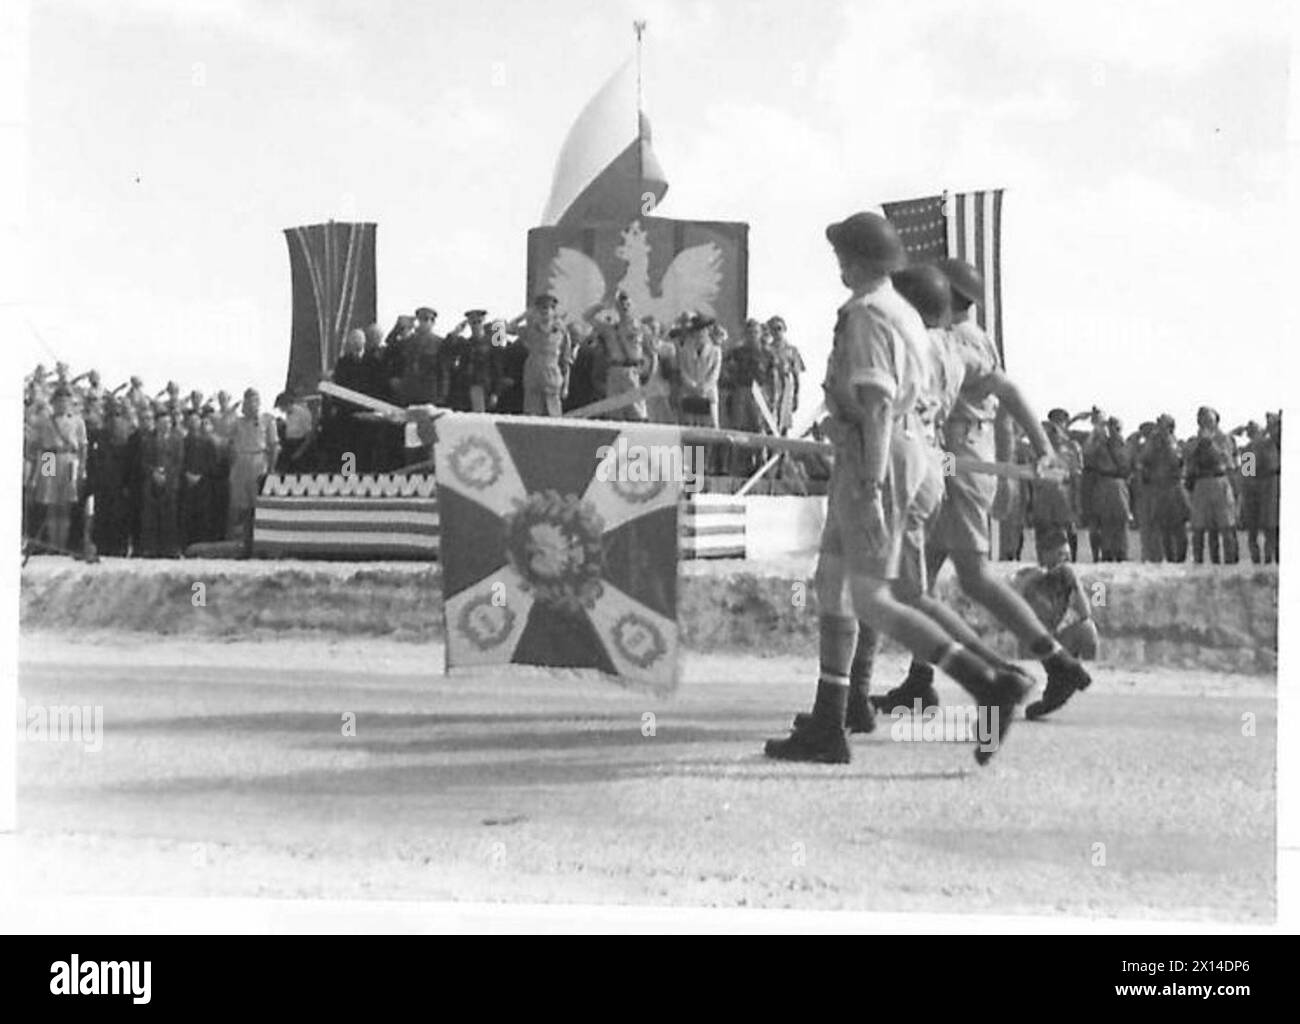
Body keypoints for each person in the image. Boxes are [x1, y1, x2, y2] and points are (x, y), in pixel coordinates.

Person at [764, 212, 1029, 766]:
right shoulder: (900, 311)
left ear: (859, 261)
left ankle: (986, 682)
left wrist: (870, 482)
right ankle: (831, 719)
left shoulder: (869, 314)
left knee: (872, 597)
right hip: (884, 450)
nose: (838, 263)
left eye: (843, 254)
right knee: (834, 582)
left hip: (877, 453)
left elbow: (879, 403)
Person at [869, 260, 1091, 725]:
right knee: (919, 579)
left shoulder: (961, 340)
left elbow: (1008, 394)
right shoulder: (965, 336)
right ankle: (919, 680)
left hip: (959, 456)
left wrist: (1042, 449)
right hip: (947, 453)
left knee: (973, 576)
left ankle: (1056, 662)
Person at [1011, 526, 1100, 676]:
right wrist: (1032, 579)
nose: (1064, 560)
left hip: (1058, 640)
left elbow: (1085, 614)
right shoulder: (1027, 576)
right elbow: (1012, 605)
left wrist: (1075, 583)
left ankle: (1087, 673)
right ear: (1046, 555)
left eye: (1066, 555)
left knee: (1087, 629)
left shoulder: (1066, 578)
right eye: (1060, 555)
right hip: (1035, 643)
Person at [27, 384, 88, 554]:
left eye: (66, 401)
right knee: (49, 500)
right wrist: (33, 475)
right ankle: (52, 544)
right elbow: (36, 445)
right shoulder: (45, 422)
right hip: (49, 458)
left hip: (69, 458)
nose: (63, 404)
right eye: (59, 401)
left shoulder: (77, 421)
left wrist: (82, 468)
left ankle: (63, 544)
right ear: (54, 402)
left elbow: (83, 446)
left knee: (66, 502)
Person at [1185, 406, 1238, 564]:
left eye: (1209, 420)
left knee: (1226, 525)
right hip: (1201, 483)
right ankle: (1202, 563)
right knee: (1200, 527)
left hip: (1220, 481)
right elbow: (1188, 460)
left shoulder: (1225, 439)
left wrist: (1210, 443)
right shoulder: (1194, 441)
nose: (1205, 423)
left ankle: (1231, 563)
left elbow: (1230, 462)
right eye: (1202, 420)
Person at [227, 388, 278, 544]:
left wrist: (271, 468)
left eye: (254, 401)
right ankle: (238, 539)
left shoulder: (268, 420)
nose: (251, 404)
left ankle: (261, 540)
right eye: (248, 401)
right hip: (241, 461)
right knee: (238, 504)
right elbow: (230, 444)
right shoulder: (238, 422)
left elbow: (274, 445)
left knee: (258, 504)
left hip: (258, 460)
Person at [512, 293, 573, 416]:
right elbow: (499, 332)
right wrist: (524, 315)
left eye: (548, 307)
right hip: (533, 379)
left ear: (553, 311)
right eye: (541, 308)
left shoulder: (562, 332)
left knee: (553, 421)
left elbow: (566, 362)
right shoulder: (530, 330)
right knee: (532, 419)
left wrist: (566, 386)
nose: (544, 311)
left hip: (552, 380)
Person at [1082, 412, 1132, 561]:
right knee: (1106, 520)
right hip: (1104, 482)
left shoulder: (1120, 443)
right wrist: (1097, 429)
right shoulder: (1100, 444)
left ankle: (1121, 552)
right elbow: (1087, 451)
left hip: (1117, 482)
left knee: (1120, 519)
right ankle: (1108, 552)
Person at [1140, 414, 1189, 562]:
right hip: (1162, 487)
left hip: (1179, 485)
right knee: (1165, 526)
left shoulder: (1227, 441)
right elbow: (1144, 461)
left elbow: (1245, 471)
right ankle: (1171, 559)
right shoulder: (1154, 443)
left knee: (1181, 525)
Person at [596, 290, 648, 420]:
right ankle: (620, 441)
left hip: (632, 370)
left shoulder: (641, 328)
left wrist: (646, 372)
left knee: (636, 411)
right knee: (614, 412)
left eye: (627, 305)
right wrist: (603, 305)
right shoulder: (612, 329)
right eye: (621, 306)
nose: (624, 308)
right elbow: (587, 317)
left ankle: (637, 439)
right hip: (615, 370)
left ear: (632, 306)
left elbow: (652, 353)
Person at [674, 313, 722, 428]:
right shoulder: (685, 350)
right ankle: (692, 447)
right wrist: (693, 386)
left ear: (708, 331)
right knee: (690, 428)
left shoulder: (715, 351)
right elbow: (683, 370)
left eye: (703, 330)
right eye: (697, 330)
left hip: (708, 394)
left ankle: (708, 447)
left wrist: (704, 387)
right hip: (689, 393)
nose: (700, 333)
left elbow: (715, 373)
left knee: (709, 428)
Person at [768, 316, 805, 436]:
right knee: (770, 418)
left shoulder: (791, 350)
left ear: (784, 329)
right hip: (771, 384)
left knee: (784, 419)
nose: (776, 332)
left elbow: (796, 374)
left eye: (779, 328)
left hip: (786, 384)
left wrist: (796, 395)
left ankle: (782, 450)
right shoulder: (767, 349)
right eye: (773, 329)